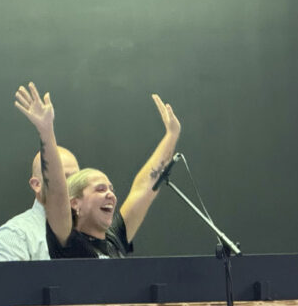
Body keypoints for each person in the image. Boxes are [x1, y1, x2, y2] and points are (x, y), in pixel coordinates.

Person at [15, 82, 181, 259]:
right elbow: (56, 192)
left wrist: (171, 135)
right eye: (100, 189)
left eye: (111, 189)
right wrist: (46, 131)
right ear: (74, 203)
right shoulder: (68, 241)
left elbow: (144, 189)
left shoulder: (114, 239)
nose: (111, 195)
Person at [0, 147, 79, 261]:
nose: (73, 185)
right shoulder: (16, 235)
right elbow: (5, 274)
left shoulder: (90, 230)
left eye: (77, 178)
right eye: (62, 178)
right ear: (36, 184)